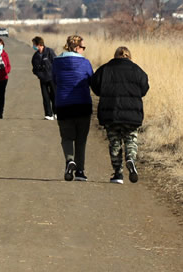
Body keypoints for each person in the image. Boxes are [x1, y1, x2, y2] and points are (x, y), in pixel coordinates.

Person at [89, 46, 149, 184]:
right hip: (132, 114)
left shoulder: (105, 69)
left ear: (115, 55)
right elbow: (144, 89)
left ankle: (118, 174)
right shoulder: (137, 70)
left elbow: (95, 87)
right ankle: (130, 160)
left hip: (111, 113)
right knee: (131, 139)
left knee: (115, 143)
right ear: (129, 56)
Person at [51, 35, 93, 181]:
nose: (83, 50)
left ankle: (70, 161)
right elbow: (90, 80)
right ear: (76, 48)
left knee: (67, 137)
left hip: (63, 105)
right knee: (81, 140)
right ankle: (80, 172)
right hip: (83, 104)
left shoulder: (56, 63)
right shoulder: (85, 63)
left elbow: (54, 80)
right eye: (83, 47)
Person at [31, 36, 57, 120]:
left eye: (34, 44)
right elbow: (34, 69)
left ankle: (56, 113)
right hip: (43, 79)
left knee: (55, 95)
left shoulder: (49, 51)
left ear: (39, 44)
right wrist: (39, 75)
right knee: (45, 97)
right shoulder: (35, 56)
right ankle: (48, 114)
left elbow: (56, 63)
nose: (33, 46)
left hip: (52, 78)